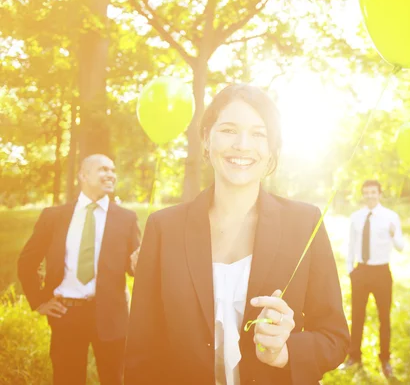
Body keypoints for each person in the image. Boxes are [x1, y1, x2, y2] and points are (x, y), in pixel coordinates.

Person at [124, 84, 349, 385]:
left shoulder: (305, 223)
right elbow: (142, 349)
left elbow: (334, 338)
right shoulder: (163, 228)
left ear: (272, 150)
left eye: (259, 134)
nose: (243, 145)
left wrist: (285, 352)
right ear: (206, 139)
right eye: (229, 130)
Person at [18, 154, 141, 385]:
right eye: (103, 169)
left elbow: (134, 266)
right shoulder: (54, 217)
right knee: (67, 379)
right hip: (67, 314)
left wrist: (139, 264)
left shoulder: (126, 219)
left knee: (115, 379)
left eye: (113, 170)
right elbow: (26, 261)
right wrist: (40, 300)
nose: (111, 175)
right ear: (83, 175)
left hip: (111, 315)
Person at [343, 180, 404, 378]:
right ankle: (354, 356)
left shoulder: (390, 217)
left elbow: (401, 246)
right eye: (366, 192)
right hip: (360, 272)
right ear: (363, 194)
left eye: (373, 192)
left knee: (384, 317)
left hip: (381, 272)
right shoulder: (356, 217)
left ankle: (385, 359)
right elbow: (351, 245)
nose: (370, 195)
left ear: (379, 194)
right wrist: (350, 270)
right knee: (357, 316)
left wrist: (394, 235)